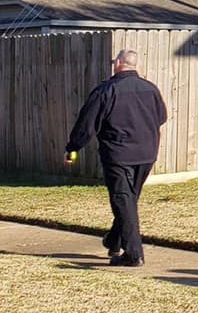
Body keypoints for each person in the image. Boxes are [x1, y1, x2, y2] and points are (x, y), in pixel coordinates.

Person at [65, 49, 168, 266]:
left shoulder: (106, 90)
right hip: (147, 154)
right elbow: (161, 117)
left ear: (119, 63)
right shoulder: (151, 89)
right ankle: (114, 239)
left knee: (123, 200)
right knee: (127, 201)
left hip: (118, 154)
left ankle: (133, 254)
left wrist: (73, 147)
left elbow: (86, 125)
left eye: (115, 61)